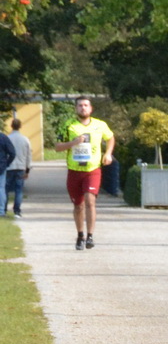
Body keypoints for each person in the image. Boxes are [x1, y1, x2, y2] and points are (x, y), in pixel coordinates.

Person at [52, 97, 112, 250]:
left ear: (91, 108)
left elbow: (110, 138)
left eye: (86, 105)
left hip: (92, 170)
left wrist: (108, 153)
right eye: (80, 106)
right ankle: (80, 235)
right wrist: (73, 143)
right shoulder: (68, 125)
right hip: (74, 171)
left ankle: (90, 236)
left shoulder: (100, 125)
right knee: (78, 205)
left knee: (90, 201)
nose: (83, 108)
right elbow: (57, 147)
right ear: (76, 109)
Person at [5, 116, 30, 217]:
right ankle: (17, 211)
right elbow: (28, 155)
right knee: (18, 190)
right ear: (20, 126)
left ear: (11, 126)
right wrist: (27, 170)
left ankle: (4, 209)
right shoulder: (25, 139)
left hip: (8, 167)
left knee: (5, 189)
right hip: (21, 167)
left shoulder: (7, 138)